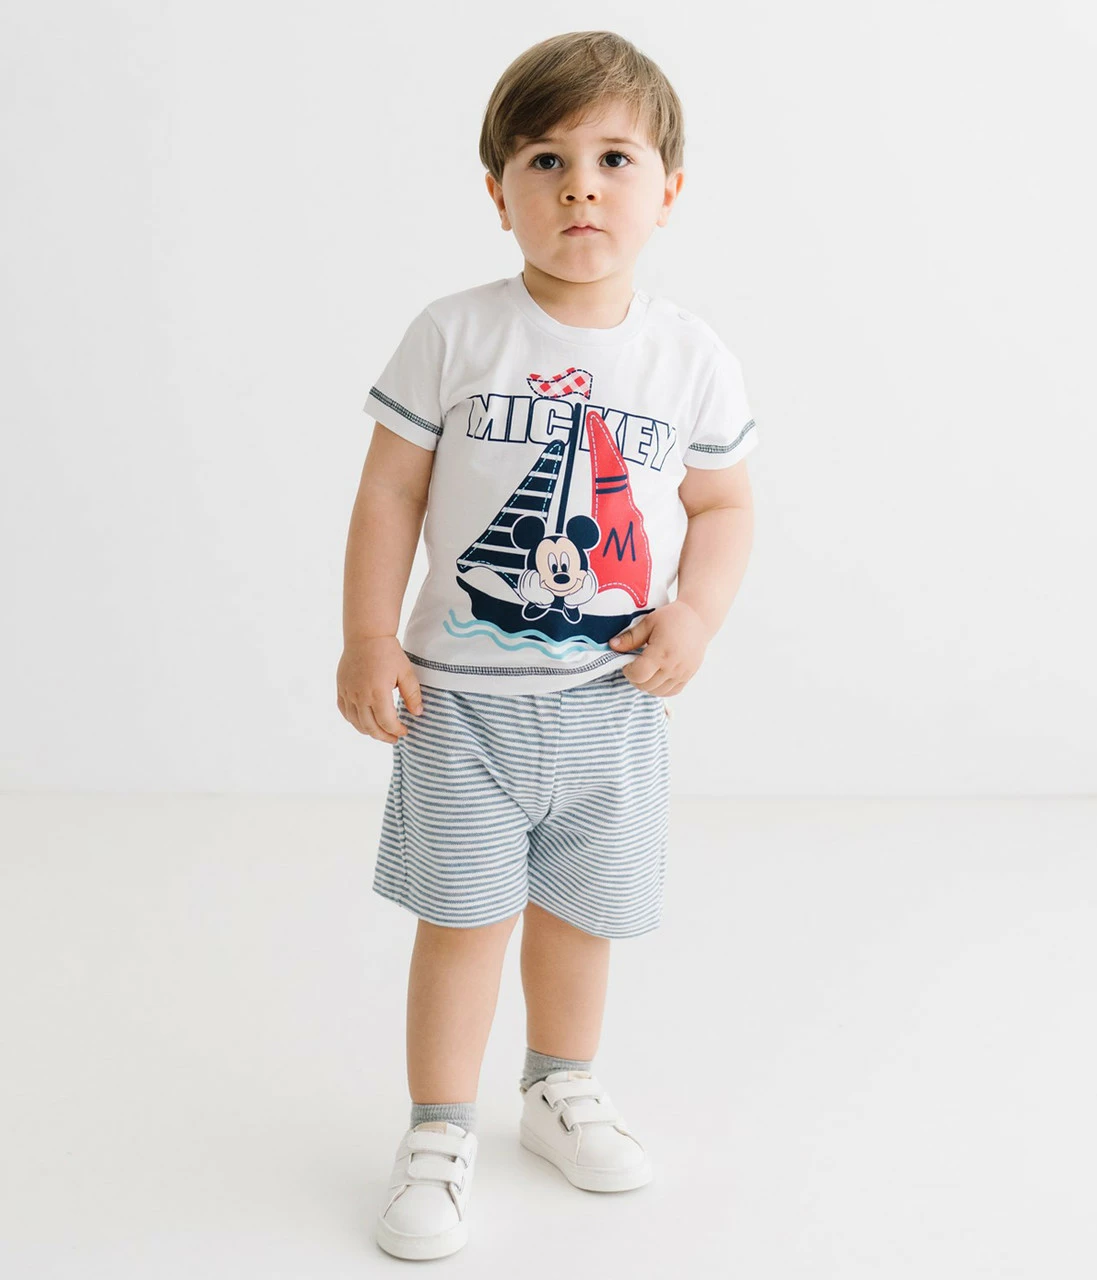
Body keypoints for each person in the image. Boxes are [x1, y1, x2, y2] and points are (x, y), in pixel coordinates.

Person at [337, 30, 759, 1261]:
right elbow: (388, 493)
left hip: (609, 700)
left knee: (580, 913)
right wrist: (368, 633)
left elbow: (725, 506)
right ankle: (436, 1128)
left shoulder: (687, 357)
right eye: (545, 159)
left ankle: (557, 1084)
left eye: (614, 158)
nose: (581, 186)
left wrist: (692, 614)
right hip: (458, 706)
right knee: (462, 920)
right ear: (498, 191)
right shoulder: (454, 333)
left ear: (666, 190)